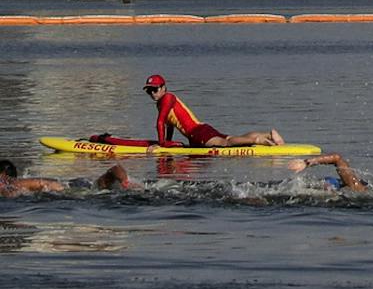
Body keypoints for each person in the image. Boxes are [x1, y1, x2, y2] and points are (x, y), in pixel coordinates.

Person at [144, 74, 284, 148]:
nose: (152, 93)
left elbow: (160, 122)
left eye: (155, 89)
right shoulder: (164, 102)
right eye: (149, 91)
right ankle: (268, 134)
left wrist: (161, 144)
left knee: (225, 144)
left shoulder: (167, 98)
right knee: (229, 138)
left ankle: (260, 140)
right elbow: (169, 124)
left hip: (197, 134)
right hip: (202, 129)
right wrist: (168, 142)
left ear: (163, 87)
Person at [0, 160, 130, 195]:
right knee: (102, 184)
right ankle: (125, 182)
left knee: (100, 186)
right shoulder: (17, 182)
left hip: (68, 187)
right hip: (74, 184)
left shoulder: (15, 183)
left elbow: (41, 183)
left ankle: (123, 180)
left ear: (3, 175)